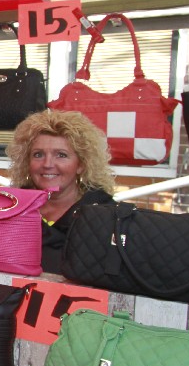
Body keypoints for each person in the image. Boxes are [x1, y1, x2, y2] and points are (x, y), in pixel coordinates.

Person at [7, 109, 115, 273]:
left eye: (61, 155)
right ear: (26, 162)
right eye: (38, 154)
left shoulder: (106, 216)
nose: (47, 164)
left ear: (81, 165)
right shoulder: (10, 209)